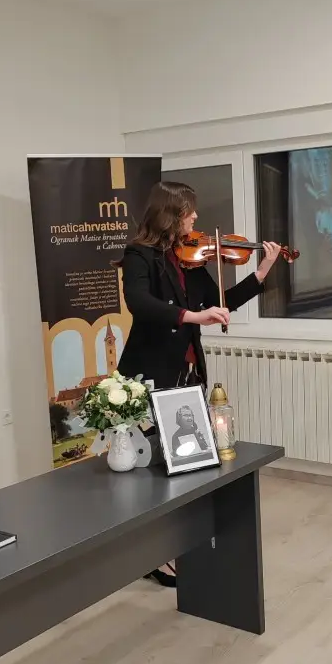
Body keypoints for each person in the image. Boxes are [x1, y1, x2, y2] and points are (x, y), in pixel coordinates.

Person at [119, 180, 281, 585]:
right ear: (169, 214)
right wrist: (191, 317)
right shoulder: (140, 255)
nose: (195, 217)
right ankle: (154, 555)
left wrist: (262, 270)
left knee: (187, 462)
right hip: (151, 371)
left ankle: (182, 541)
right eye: (188, 211)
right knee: (157, 465)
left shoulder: (189, 258)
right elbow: (140, 304)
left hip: (186, 373)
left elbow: (220, 303)